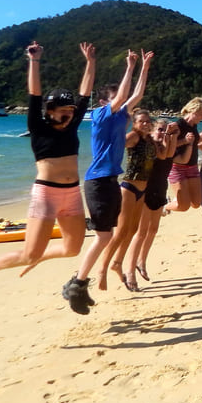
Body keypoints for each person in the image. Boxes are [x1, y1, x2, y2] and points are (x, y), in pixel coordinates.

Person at [0, 41, 95, 288]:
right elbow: (34, 94)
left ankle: (38, 257)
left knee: (72, 249)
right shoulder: (37, 127)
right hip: (46, 195)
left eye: (71, 110)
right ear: (50, 110)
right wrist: (34, 60)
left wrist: (90, 62)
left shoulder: (72, 125)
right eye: (64, 110)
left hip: (72, 193)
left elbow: (85, 95)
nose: (70, 114)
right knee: (29, 254)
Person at [63, 49, 153, 314]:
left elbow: (135, 96)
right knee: (104, 235)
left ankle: (79, 282)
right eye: (114, 99)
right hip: (97, 181)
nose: (121, 103)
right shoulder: (100, 115)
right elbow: (125, 95)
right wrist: (130, 65)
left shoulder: (122, 117)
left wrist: (144, 67)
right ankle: (77, 284)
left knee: (106, 234)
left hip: (110, 180)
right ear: (104, 101)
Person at [98, 108, 161, 291]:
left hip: (143, 189)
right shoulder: (133, 136)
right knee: (121, 231)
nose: (145, 124)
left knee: (132, 230)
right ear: (134, 123)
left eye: (147, 121)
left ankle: (117, 262)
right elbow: (115, 145)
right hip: (129, 188)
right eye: (141, 121)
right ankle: (103, 268)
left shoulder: (150, 140)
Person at [124, 118, 178, 289]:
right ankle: (130, 271)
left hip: (160, 189)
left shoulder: (165, 147)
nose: (162, 132)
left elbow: (169, 155)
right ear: (152, 131)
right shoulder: (150, 147)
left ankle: (141, 262)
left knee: (152, 230)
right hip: (145, 191)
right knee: (141, 232)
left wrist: (173, 135)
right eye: (160, 129)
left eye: (164, 130)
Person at [166, 97, 202, 211]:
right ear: (193, 111)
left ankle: (175, 200)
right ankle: (163, 206)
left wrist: (199, 145)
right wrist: (184, 141)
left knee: (196, 203)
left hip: (193, 166)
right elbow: (167, 146)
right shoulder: (178, 125)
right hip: (177, 167)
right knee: (184, 206)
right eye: (201, 114)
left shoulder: (193, 126)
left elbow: (190, 143)